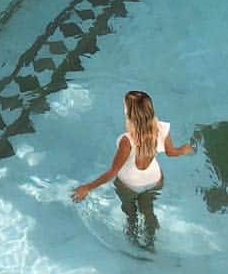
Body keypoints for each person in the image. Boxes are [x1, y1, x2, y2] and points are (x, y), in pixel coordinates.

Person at [72, 91, 193, 248]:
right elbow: (171, 153)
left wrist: (87, 187)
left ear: (129, 113)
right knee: (148, 211)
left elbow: (112, 172)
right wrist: (184, 150)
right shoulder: (162, 128)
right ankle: (151, 242)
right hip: (154, 179)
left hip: (129, 184)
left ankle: (133, 237)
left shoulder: (127, 140)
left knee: (130, 212)